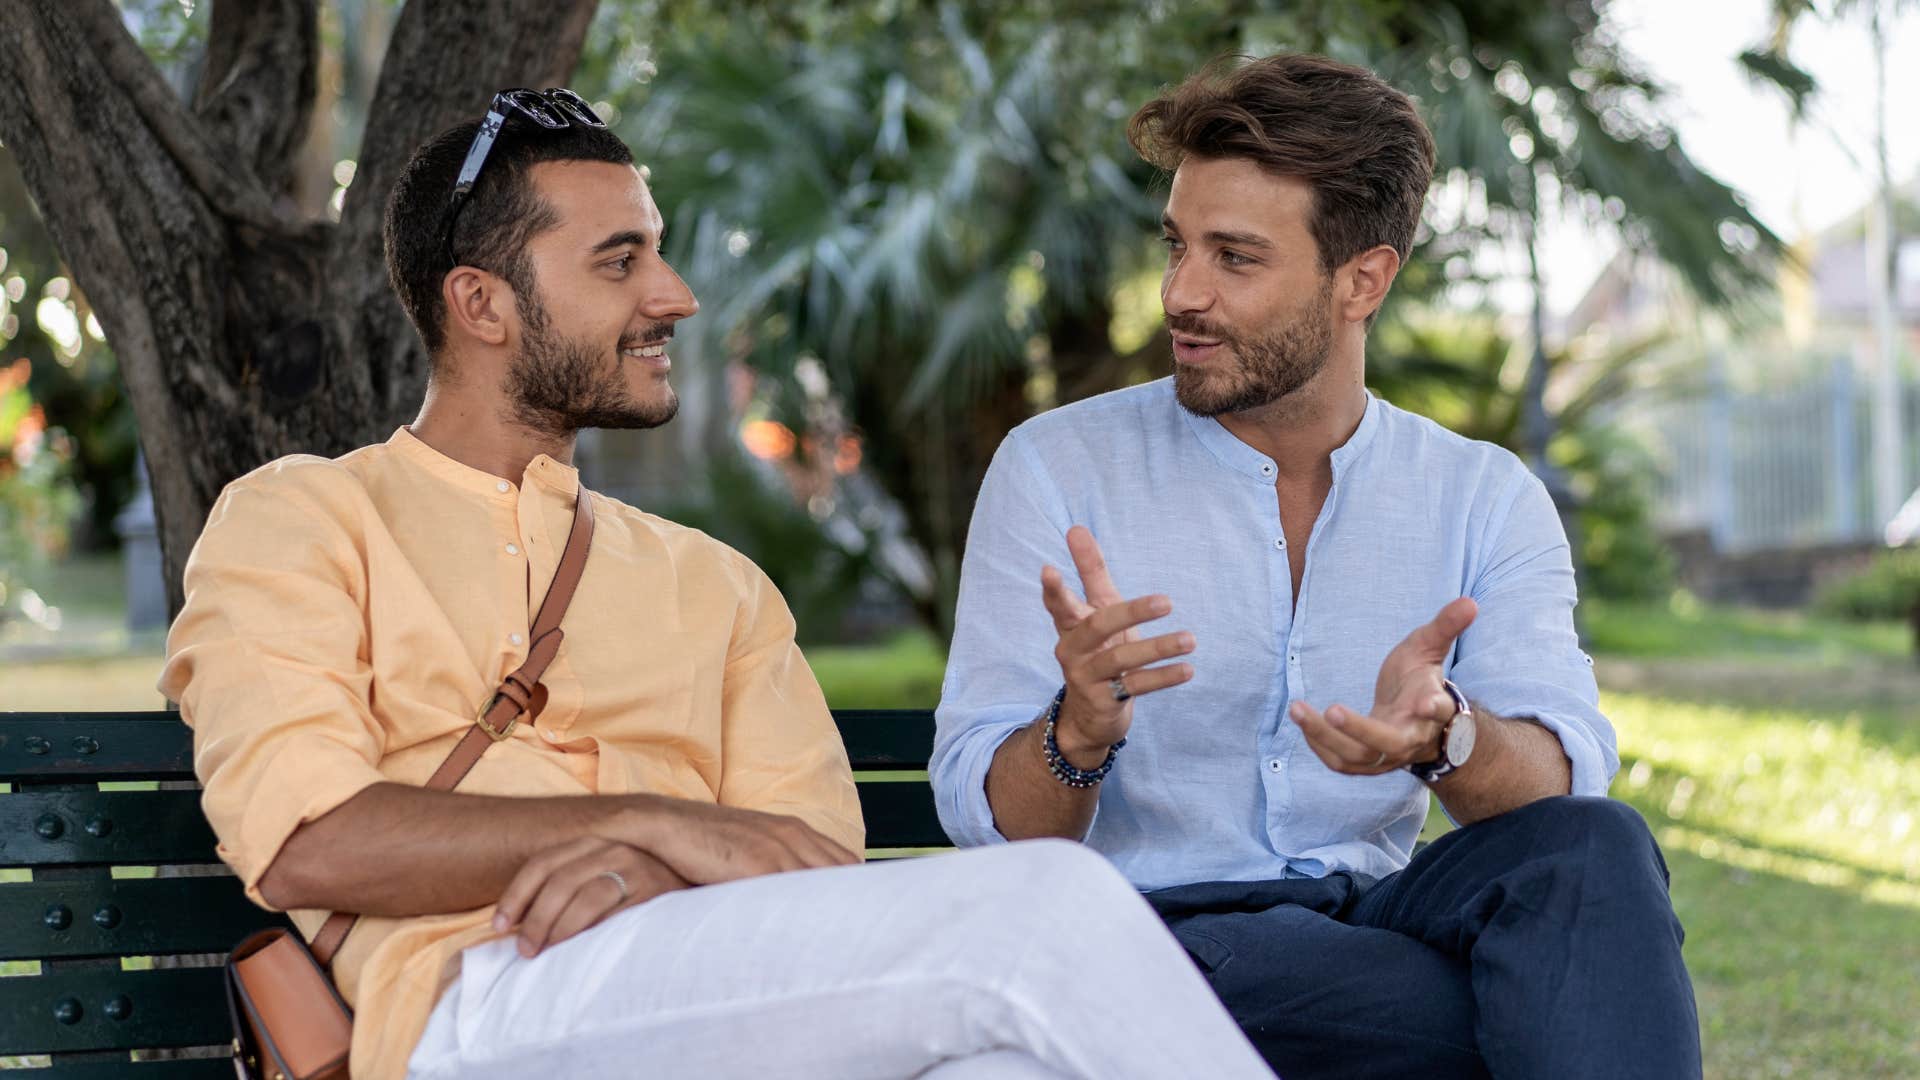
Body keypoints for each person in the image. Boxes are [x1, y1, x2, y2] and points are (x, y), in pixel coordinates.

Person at [160, 88, 1272, 1080]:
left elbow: (808, 870)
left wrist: (657, 873)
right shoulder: (301, 517)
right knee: (1052, 910)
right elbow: (313, 839)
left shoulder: (718, 586)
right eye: (620, 260)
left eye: (660, 252)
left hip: (715, 1003)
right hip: (474, 1004)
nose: (676, 295)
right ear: (482, 304)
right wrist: (661, 826)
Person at [933, 54, 1701, 1080]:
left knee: (1596, 848)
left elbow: (1558, 784)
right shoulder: (1058, 469)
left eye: (1234, 258)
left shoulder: (1480, 494)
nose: (1179, 293)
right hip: (1145, 935)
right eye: (1177, 245)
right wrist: (1078, 728)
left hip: (1377, 916)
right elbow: (993, 832)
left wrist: (1447, 738)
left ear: (1363, 281)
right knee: (1547, 1005)